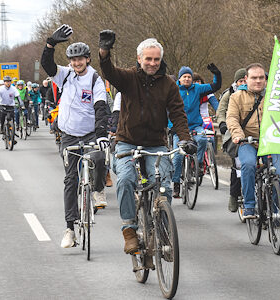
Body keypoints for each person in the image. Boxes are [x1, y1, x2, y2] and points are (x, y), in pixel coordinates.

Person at [97, 30, 196, 254]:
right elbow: (109, 72)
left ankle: (162, 229)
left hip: (155, 144)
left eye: (156, 59)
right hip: (127, 143)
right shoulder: (129, 77)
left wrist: (185, 139)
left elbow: (178, 114)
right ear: (139, 58)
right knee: (125, 180)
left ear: (161, 60)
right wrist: (104, 51)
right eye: (148, 59)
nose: (152, 63)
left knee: (164, 186)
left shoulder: (169, 85)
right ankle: (129, 229)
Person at [41, 24, 111, 248]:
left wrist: (101, 134)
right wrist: (51, 44)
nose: (76, 63)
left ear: (88, 59)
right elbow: (47, 65)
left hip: (90, 133)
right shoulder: (66, 75)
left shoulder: (95, 80)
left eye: (80, 59)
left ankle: (98, 188)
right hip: (69, 135)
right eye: (73, 59)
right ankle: (70, 228)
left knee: (99, 159)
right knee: (70, 180)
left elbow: (101, 108)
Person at [225, 63, 280, 218]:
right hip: (247, 141)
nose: (258, 81)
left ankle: (276, 208)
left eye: (261, 78)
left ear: (266, 79)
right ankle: (249, 205)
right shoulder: (236, 97)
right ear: (246, 79)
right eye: (254, 78)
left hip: (271, 142)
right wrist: (238, 135)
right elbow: (232, 118)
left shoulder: (275, 97)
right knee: (247, 164)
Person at [170, 64, 221, 198]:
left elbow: (215, 86)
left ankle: (198, 165)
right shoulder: (173, 89)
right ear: (180, 79)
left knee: (203, 139)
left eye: (189, 77)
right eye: (184, 77)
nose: (187, 79)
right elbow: (167, 109)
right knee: (178, 157)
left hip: (195, 126)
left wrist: (217, 74)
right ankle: (176, 183)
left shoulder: (197, 88)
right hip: (179, 128)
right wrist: (171, 126)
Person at [217, 67, 247, 212]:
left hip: (253, 133)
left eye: (245, 80)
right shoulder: (229, 95)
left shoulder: (256, 93)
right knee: (238, 166)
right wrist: (223, 124)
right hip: (234, 133)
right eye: (240, 80)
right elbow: (221, 111)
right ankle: (234, 195)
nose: (243, 83)